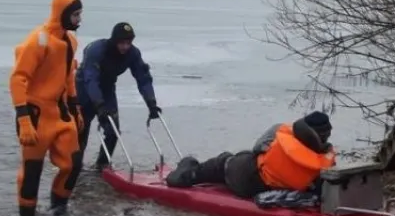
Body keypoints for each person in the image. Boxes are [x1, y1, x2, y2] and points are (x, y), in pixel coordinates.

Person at [10, 0, 85, 216]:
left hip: (61, 114)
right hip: (36, 115)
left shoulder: (70, 41)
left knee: (73, 164)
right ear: (62, 14)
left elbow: (68, 75)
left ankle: (59, 210)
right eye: (75, 15)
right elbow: (18, 78)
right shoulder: (38, 41)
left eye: (80, 15)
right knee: (32, 170)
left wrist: (75, 106)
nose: (79, 20)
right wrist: (23, 119)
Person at [165, 112, 336, 199]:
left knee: (224, 161)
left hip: (247, 177)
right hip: (265, 185)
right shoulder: (324, 162)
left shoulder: (280, 132)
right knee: (237, 158)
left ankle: (185, 175)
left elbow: (257, 149)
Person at [72, 22, 161, 171]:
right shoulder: (96, 50)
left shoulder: (133, 54)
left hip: (107, 89)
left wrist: (151, 102)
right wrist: (99, 105)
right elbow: (90, 79)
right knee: (81, 130)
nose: (125, 47)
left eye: (128, 43)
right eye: (122, 43)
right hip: (85, 90)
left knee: (113, 131)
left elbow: (143, 78)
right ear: (114, 41)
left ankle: (102, 166)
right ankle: (74, 167)